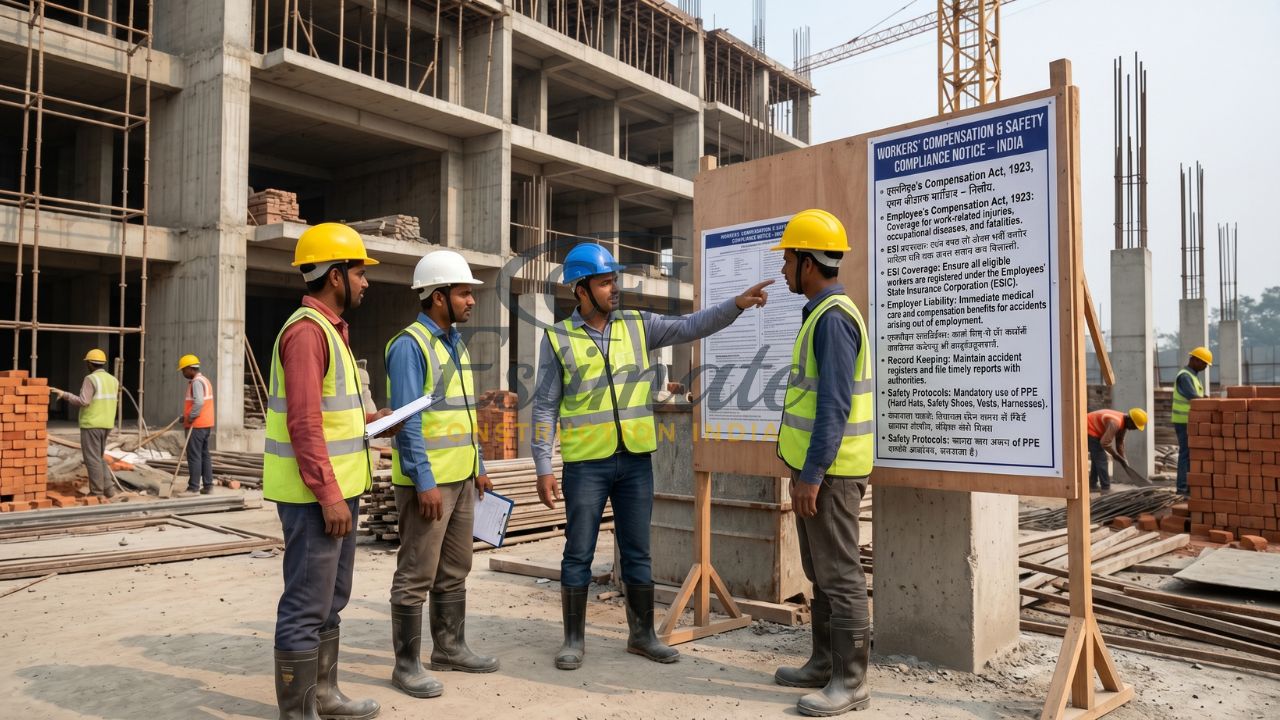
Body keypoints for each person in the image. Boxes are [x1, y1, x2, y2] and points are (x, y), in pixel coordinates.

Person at [533, 242, 771, 670]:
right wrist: (543, 467)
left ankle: (641, 635)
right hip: (586, 465)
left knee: (639, 551)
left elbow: (690, 326)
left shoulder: (638, 326)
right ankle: (573, 640)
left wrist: (734, 305)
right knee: (578, 552)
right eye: (605, 283)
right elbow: (545, 406)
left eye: (614, 280)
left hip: (636, 461)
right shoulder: (558, 337)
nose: (614, 288)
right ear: (580, 290)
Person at [263, 222, 399, 720]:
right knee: (305, 603)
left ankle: (323, 695)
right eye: (360, 273)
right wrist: (328, 495)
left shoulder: (331, 332)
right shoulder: (306, 333)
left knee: (330, 600)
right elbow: (302, 423)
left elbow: (327, 412)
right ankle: (298, 712)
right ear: (337, 275)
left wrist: (374, 420)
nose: (366, 283)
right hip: (312, 497)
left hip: (335, 489)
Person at [769, 209, 872, 716]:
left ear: (808, 262)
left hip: (831, 473)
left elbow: (833, 404)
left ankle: (851, 682)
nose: (784, 268)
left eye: (788, 258)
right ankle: (824, 664)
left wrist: (811, 474)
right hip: (818, 470)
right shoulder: (822, 315)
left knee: (841, 574)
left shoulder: (832, 320)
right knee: (821, 570)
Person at [385, 250, 497, 699]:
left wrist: (479, 466)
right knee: (417, 572)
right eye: (464, 292)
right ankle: (406, 665)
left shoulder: (454, 343)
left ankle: (449, 648)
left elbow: (462, 414)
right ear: (437, 296)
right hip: (428, 483)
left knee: (455, 568)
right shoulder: (410, 345)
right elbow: (410, 421)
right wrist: (423, 481)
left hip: (462, 477)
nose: (472, 300)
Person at [55, 349, 120, 501]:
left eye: (87, 363)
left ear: (90, 363)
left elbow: (84, 401)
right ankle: (109, 490)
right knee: (99, 457)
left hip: (92, 423)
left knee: (92, 459)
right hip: (107, 423)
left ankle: (96, 493)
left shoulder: (91, 379)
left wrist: (64, 395)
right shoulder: (113, 380)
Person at [1172, 346, 1212, 496]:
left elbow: (1197, 396)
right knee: (1185, 454)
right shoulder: (1185, 376)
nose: (1205, 367)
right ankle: (1182, 489)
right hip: (1183, 421)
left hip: (1191, 420)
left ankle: (1188, 486)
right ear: (1194, 360)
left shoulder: (1193, 375)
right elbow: (1193, 397)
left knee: (1189, 454)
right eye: (1203, 363)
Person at [177, 354, 215, 496]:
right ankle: (208, 485)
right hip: (205, 424)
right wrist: (185, 416)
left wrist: (191, 417)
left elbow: (199, 402)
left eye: (183, 370)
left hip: (196, 425)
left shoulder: (196, 382)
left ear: (189, 368)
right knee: (204, 455)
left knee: (194, 456)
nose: (183, 373)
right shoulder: (205, 380)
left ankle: (193, 488)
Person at [1086, 408, 1147, 492]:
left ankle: (1092, 485)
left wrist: (1124, 459)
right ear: (1130, 420)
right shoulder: (1115, 422)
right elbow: (1105, 443)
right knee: (1102, 459)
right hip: (1088, 428)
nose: (1135, 429)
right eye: (1135, 426)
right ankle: (1106, 488)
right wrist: (1117, 457)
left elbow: (1119, 442)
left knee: (1097, 458)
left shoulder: (1124, 423)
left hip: (1096, 431)